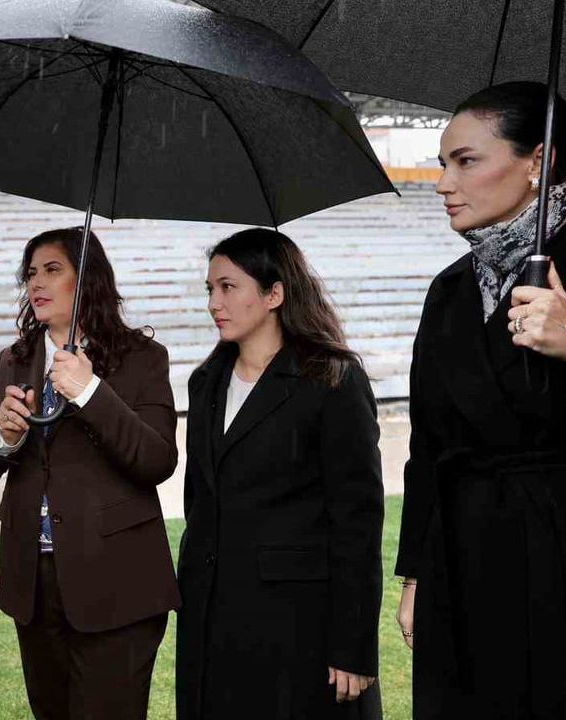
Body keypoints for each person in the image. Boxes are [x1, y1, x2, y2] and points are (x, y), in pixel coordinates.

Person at [396, 81, 566, 719]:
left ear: (537, 162)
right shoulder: (450, 289)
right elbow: (429, 443)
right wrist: (415, 575)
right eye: (442, 164)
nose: (443, 184)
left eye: (466, 161)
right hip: (467, 565)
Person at [0, 227, 180, 720]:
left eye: (52, 270)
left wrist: (91, 392)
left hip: (118, 586)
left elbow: (157, 460)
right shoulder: (12, 361)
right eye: (31, 273)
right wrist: (4, 437)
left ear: (88, 279)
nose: (36, 282)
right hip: (33, 587)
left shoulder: (143, 358)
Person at [175, 228, 384, 719]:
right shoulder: (205, 382)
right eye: (210, 289)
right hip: (211, 620)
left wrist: (353, 644)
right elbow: (198, 504)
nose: (214, 303)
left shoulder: (332, 379)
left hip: (297, 626)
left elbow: (357, 523)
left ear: (274, 294)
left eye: (228, 287)